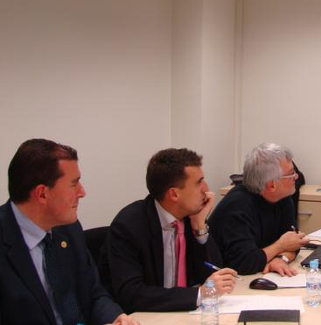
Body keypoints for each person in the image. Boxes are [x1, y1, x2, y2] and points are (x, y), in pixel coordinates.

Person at [0, 138, 137, 325]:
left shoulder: (69, 229)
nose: (82, 192)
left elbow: (93, 294)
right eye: (74, 184)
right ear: (42, 194)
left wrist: (115, 318)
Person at [107, 148, 237, 313]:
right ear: (174, 194)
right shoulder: (129, 226)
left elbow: (213, 273)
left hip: (184, 314)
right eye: (199, 183)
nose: (206, 189)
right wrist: (200, 294)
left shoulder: (189, 217)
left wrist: (200, 227)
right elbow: (131, 294)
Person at [208, 143, 309, 276]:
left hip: (258, 274)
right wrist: (279, 246)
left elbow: (293, 242)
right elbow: (244, 263)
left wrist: (281, 259)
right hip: (227, 280)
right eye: (291, 174)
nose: (296, 177)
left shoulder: (283, 198)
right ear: (272, 185)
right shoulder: (237, 206)